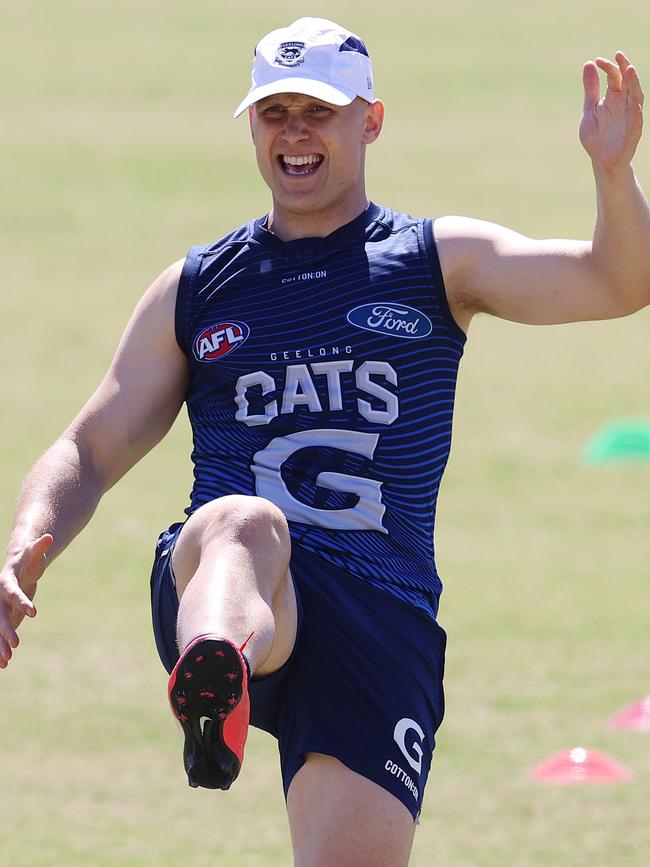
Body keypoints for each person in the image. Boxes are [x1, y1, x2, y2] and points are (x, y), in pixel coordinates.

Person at [1, 15, 648, 866]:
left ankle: (223, 679)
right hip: (223, 579)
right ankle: (216, 681)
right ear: (253, 127)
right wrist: (21, 546)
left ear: (369, 120)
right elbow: (91, 446)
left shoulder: (434, 259)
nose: (295, 134)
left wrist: (612, 170)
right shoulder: (199, 287)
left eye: (320, 111)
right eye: (275, 115)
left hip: (379, 610)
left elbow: (617, 280)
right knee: (244, 522)